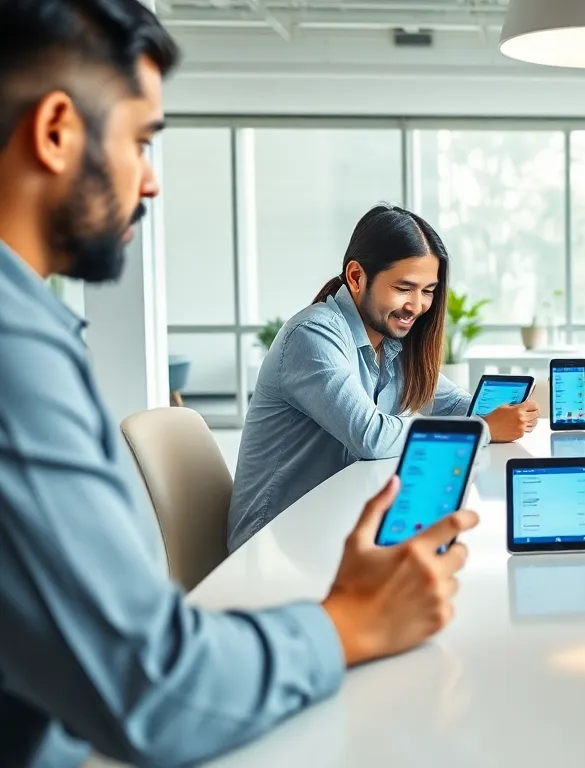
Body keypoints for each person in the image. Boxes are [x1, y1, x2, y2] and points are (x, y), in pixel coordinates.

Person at [0, 3, 478, 766]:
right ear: (56, 132)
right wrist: (347, 623)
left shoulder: (32, 324)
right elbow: (152, 688)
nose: (151, 183)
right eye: (141, 141)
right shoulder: (14, 352)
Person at [227, 204, 538, 551]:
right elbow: (371, 436)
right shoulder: (312, 335)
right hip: (275, 544)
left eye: (428, 291)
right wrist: (486, 428)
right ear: (357, 277)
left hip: (339, 525)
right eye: (404, 287)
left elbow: (450, 403)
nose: (417, 306)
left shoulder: (392, 342)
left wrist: (501, 413)